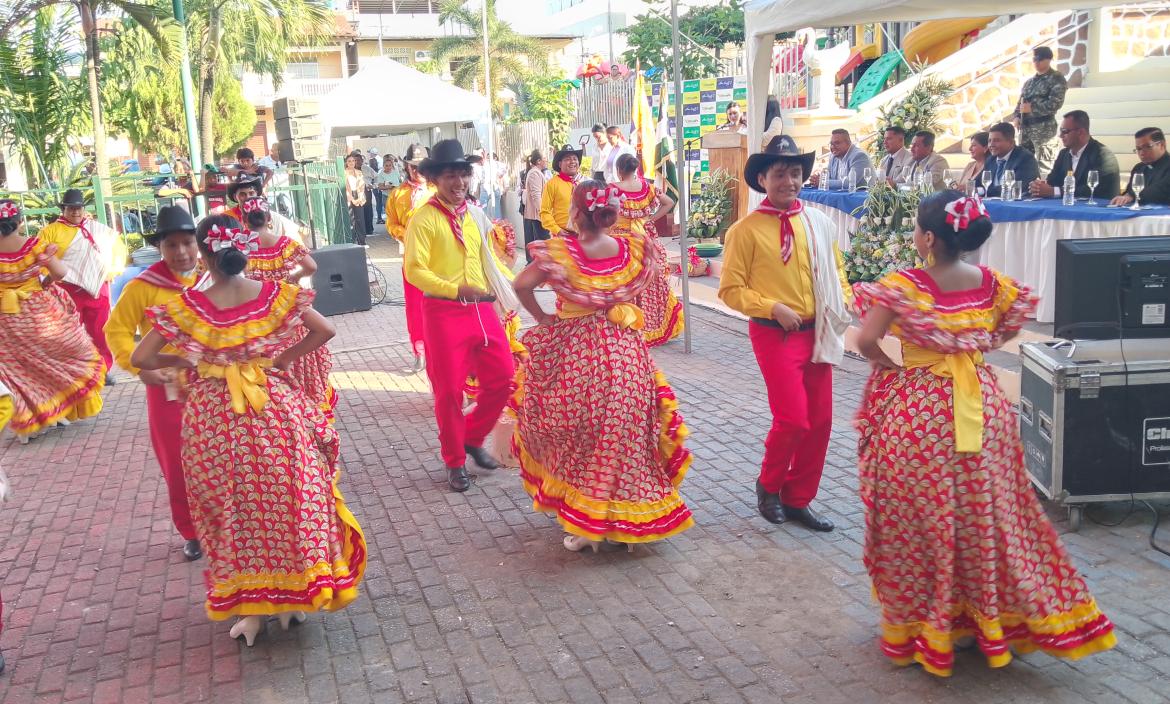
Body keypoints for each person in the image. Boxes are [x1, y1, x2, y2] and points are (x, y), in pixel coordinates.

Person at [853, 190, 1117, 676]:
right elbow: (1006, 330)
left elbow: (866, 340)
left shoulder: (902, 286)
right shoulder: (994, 285)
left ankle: (929, 625)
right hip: (984, 407)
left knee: (920, 520)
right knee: (985, 513)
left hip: (921, 414)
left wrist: (895, 365)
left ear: (928, 238)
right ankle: (985, 621)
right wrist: (970, 348)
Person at [130, 214, 366, 647]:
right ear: (243, 250)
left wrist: (187, 362)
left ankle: (251, 611)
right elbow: (325, 330)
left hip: (215, 420)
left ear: (204, 254)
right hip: (273, 410)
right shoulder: (275, 295)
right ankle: (295, 598)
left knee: (230, 509)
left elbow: (142, 358)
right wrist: (281, 359)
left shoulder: (188, 309)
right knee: (287, 499)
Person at [511, 180, 694, 553]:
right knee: (627, 434)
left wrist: (544, 318)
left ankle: (589, 523)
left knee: (580, 434)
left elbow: (521, 284)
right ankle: (627, 517)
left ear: (576, 213)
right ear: (611, 214)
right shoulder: (634, 250)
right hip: (626, 353)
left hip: (579, 354)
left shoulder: (560, 253)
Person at [718, 129, 852, 532]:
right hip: (774, 335)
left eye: (795, 173)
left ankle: (799, 499)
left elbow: (837, 271)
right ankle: (769, 487)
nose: (788, 182)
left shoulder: (819, 223)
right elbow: (730, 290)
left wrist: (843, 298)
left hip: (818, 332)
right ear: (763, 179)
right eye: (780, 174)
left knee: (822, 421)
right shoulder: (745, 231)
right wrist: (771, 307)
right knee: (793, 419)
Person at [403, 139, 517, 493]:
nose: (459, 183)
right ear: (436, 179)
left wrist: (517, 283)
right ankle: (454, 461)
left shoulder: (475, 215)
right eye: (450, 175)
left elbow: (489, 261)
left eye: (463, 175)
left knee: (503, 379)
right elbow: (413, 271)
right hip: (443, 312)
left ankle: (471, 437)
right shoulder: (423, 219)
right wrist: (454, 290)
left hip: (483, 309)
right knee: (449, 392)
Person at [105, 206, 204, 560]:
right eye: (172, 245)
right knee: (178, 464)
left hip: (214, 383)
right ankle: (192, 530)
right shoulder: (142, 287)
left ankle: (230, 524)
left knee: (223, 456)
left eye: (188, 243)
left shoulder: (210, 277)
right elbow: (115, 331)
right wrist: (139, 370)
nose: (181, 253)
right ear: (159, 248)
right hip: (167, 387)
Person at [0, 200, 105, 442]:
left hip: (5, 319)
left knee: (16, 370)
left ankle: (29, 423)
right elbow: (59, 272)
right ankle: (56, 412)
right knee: (56, 360)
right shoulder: (33, 245)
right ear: (18, 221)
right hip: (39, 313)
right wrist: (43, 284)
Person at [240, 197, 335, 421]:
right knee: (301, 366)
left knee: (267, 376)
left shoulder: (241, 247)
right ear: (268, 219)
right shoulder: (283, 243)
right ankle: (309, 417)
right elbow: (311, 266)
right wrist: (293, 277)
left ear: (245, 221)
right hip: (289, 312)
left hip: (258, 319)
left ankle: (280, 417)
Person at [37, 188, 117, 381]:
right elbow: (40, 259)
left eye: (79, 208)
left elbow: (114, 250)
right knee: (71, 333)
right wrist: (50, 278)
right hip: (66, 289)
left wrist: (111, 271)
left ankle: (103, 371)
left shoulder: (96, 228)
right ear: (63, 209)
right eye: (71, 208)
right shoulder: (49, 231)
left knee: (100, 331)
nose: (75, 212)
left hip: (97, 290)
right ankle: (75, 372)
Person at [610, 153, 683, 347]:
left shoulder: (612, 190)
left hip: (621, 239)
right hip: (645, 238)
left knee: (624, 282)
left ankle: (628, 324)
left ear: (618, 170)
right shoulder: (648, 188)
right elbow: (669, 202)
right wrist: (649, 219)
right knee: (651, 280)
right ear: (635, 169)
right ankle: (652, 324)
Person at [387, 144, 436, 370]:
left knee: (439, 305)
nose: (416, 171)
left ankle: (438, 349)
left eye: (420, 167)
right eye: (412, 166)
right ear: (406, 166)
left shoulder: (437, 191)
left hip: (438, 258)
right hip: (412, 259)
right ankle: (419, 350)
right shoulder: (397, 194)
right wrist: (407, 234)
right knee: (415, 307)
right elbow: (392, 223)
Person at [1030, 110, 1121, 200]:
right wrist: (1039, 187)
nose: (1060, 135)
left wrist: (1055, 191)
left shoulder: (1103, 155)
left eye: (1064, 131)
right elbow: (1052, 181)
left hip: (1098, 210)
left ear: (1080, 132)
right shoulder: (1063, 154)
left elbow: (1093, 190)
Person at [1014, 46, 1068, 175]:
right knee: (1024, 165)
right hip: (1026, 129)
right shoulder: (1029, 82)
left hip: (1044, 129)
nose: (1037, 63)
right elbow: (1020, 102)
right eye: (1034, 60)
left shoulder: (1057, 78)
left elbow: (1055, 103)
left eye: (1040, 60)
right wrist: (1016, 116)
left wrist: (1032, 108)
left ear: (1049, 60)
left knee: (1045, 166)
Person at [1111, 127, 1170, 207]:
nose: (1142, 152)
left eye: (1147, 147)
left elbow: (1161, 190)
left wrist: (1132, 196)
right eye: (1138, 149)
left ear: (1162, 145)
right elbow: (1129, 193)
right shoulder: (1138, 168)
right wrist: (1122, 198)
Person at [984, 122, 1039, 198]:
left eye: (996, 140)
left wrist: (984, 191)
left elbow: (1016, 187)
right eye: (989, 141)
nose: (991, 145)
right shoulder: (990, 160)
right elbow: (983, 184)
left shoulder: (1025, 159)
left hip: (1019, 205)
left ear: (1011, 142)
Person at [540, 144, 584, 236]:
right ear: (560, 164)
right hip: (562, 235)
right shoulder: (552, 184)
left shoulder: (586, 182)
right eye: (568, 159)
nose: (572, 162)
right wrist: (557, 230)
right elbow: (544, 212)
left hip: (584, 235)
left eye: (575, 159)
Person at [522, 149, 550, 262]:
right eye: (544, 159)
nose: (546, 161)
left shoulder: (535, 172)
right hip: (537, 216)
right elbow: (536, 195)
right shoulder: (535, 173)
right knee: (541, 245)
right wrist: (543, 213)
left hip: (536, 215)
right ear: (538, 161)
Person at [344, 154, 370, 247]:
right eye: (349, 161)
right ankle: (352, 241)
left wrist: (360, 197)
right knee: (351, 219)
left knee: (360, 218)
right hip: (348, 195)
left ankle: (362, 241)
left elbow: (362, 185)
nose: (351, 163)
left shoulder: (359, 172)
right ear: (346, 163)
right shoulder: (344, 172)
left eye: (353, 161)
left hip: (358, 194)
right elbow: (346, 187)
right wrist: (351, 198)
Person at [373, 154, 402, 224]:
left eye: (390, 165)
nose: (388, 167)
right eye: (386, 165)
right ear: (383, 166)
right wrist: (388, 187)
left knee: (398, 213)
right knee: (390, 214)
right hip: (387, 197)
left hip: (397, 196)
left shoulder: (396, 172)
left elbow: (400, 181)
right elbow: (380, 187)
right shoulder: (381, 174)